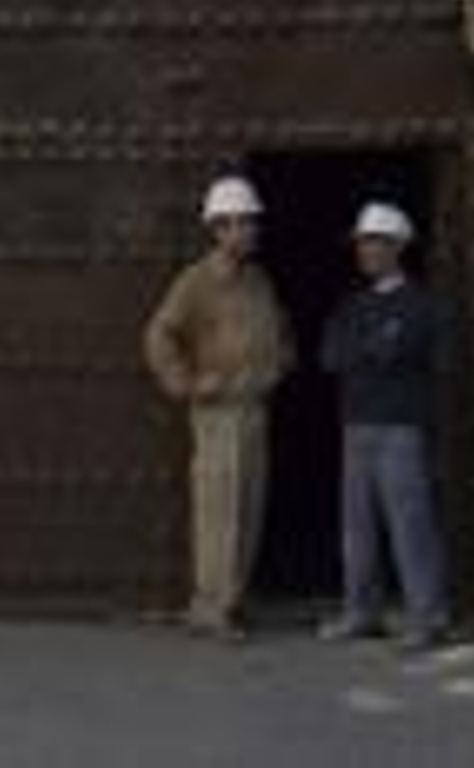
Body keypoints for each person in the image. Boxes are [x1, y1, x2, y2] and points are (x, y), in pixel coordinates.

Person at [143, 173, 294, 640]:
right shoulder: (197, 282)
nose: (250, 231)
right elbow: (159, 335)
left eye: (252, 223)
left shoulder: (258, 281)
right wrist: (187, 383)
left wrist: (280, 364)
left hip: (253, 406)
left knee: (249, 505)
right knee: (219, 508)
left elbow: (281, 332)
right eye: (241, 224)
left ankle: (233, 598)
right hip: (217, 410)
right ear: (219, 227)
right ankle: (210, 607)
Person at [319, 201, 449, 653]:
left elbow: (396, 352)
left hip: (399, 427)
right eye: (362, 242)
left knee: (409, 523)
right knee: (357, 527)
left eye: (374, 242)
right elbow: (332, 355)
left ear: (397, 247)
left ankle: (427, 617)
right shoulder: (352, 305)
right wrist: (373, 350)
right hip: (356, 424)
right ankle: (361, 612)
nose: (365, 251)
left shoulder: (420, 305)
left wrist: (370, 352)